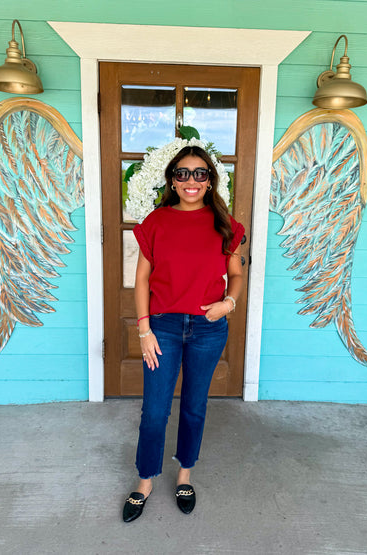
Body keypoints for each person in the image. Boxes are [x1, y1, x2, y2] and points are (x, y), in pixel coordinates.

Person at [123, 145, 244, 523]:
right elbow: (141, 278)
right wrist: (144, 329)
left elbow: (237, 274)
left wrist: (228, 304)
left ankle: (184, 475)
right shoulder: (157, 221)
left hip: (208, 329)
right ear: (172, 180)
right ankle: (145, 481)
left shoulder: (225, 224)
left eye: (199, 173)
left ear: (210, 180)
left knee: (194, 406)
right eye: (182, 173)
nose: (191, 180)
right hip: (163, 327)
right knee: (155, 410)